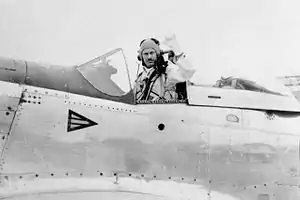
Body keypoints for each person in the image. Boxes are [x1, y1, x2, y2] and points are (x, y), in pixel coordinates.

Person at [134, 34, 196, 102]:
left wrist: (178, 53)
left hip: (167, 111)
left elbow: (188, 72)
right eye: (146, 54)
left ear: (157, 54)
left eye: (152, 53)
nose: (149, 57)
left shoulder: (167, 70)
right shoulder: (139, 78)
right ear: (141, 57)